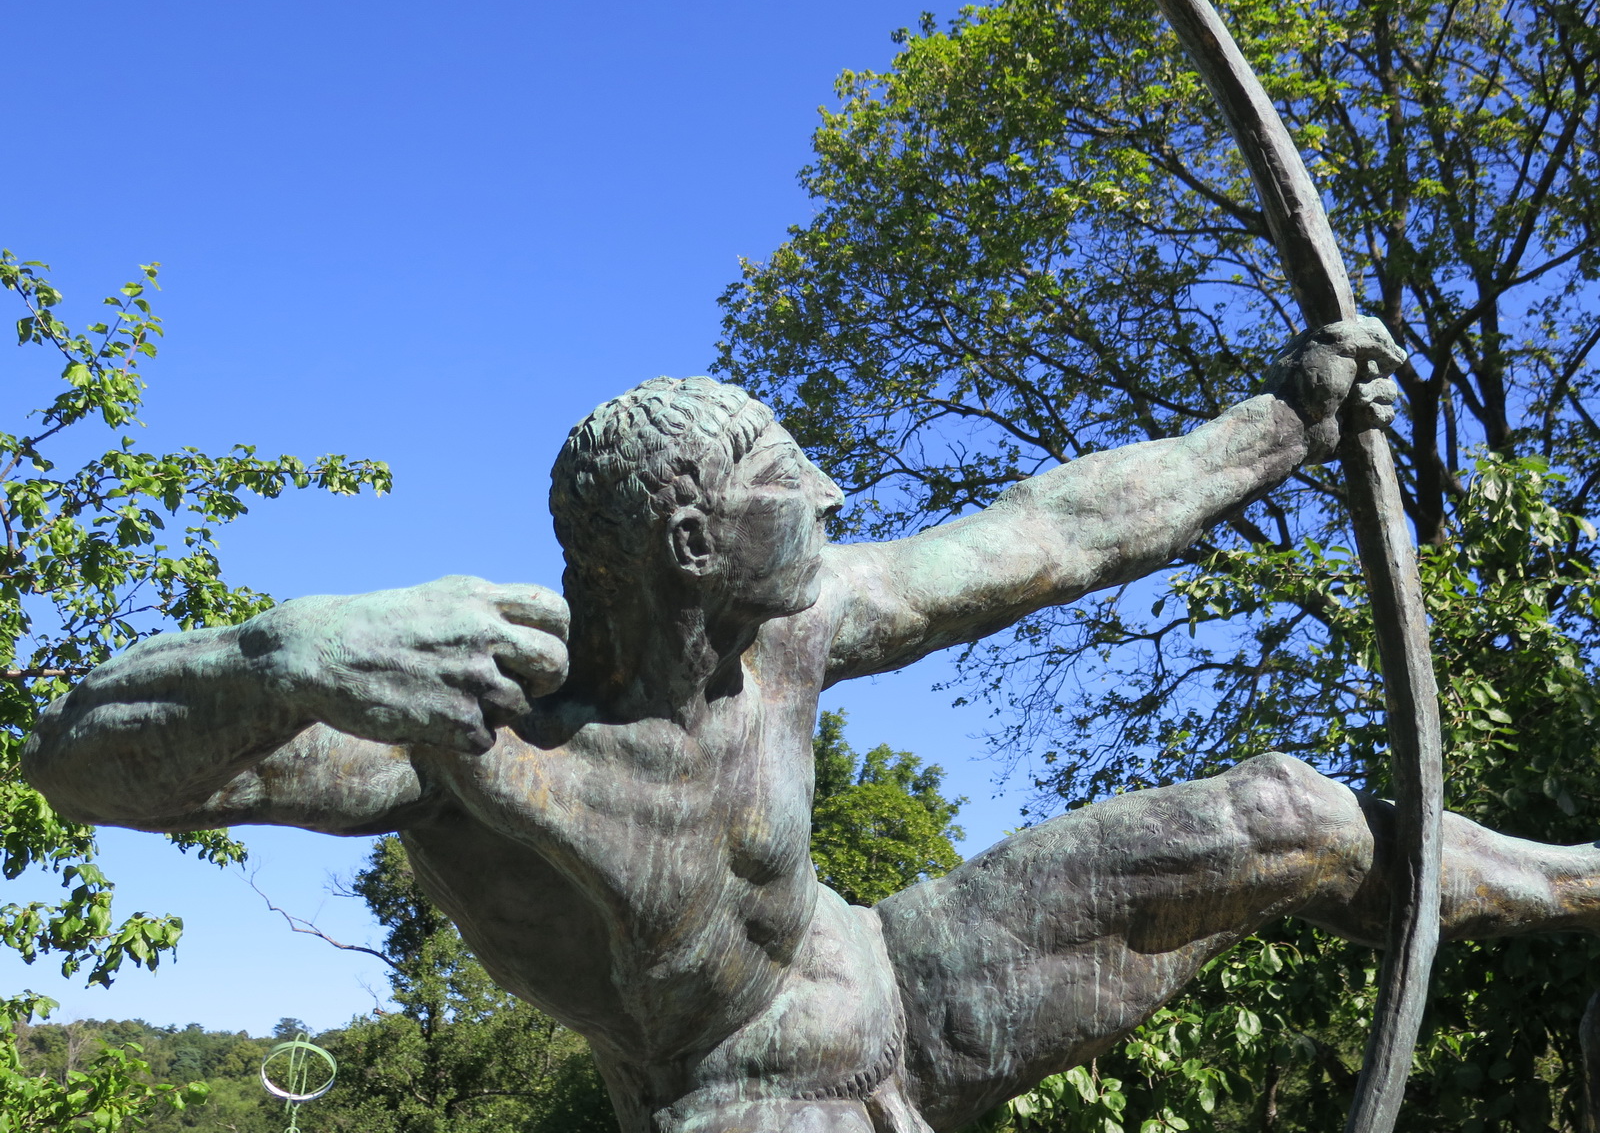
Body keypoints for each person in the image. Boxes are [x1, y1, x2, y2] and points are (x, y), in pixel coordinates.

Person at [24, 320, 1600, 1133]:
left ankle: (1576, 882)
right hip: (738, 1100)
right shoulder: (469, 725)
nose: (832, 500)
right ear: (693, 542)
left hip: (918, 982)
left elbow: (1057, 529)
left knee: (1285, 817)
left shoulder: (796, 624)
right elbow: (78, 763)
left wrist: (1286, 422)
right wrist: (291, 651)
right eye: (789, 485)